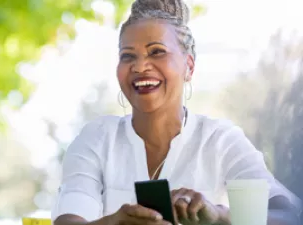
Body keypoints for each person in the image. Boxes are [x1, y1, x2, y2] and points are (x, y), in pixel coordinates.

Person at [51, 0, 301, 224]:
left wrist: (219, 215)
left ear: (189, 66)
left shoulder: (219, 140)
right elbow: (69, 220)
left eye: (156, 51)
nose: (140, 66)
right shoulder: (97, 138)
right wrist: (114, 223)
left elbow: (290, 215)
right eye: (128, 56)